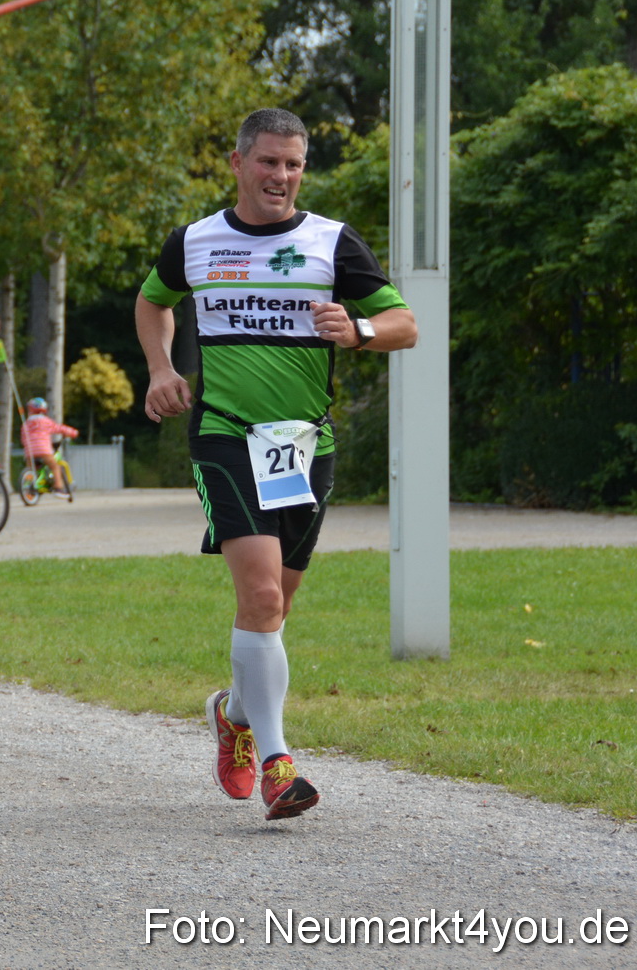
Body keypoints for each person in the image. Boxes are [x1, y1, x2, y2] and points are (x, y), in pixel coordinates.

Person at [135, 107, 418, 821]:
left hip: (305, 445)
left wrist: (358, 329)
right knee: (260, 598)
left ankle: (233, 712)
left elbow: (405, 324)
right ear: (238, 163)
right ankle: (277, 763)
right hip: (226, 435)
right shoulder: (195, 241)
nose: (281, 176)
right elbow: (152, 301)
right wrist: (161, 367)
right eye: (268, 161)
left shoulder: (331, 242)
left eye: (293, 164)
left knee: (275, 607)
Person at [21, 397, 77, 500]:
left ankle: (28, 487)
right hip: (43, 450)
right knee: (55, 466)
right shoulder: (45, 421)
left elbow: (23, 437)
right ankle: (58, 488)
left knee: (32, 470)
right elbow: (59, 428)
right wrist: (72, 432)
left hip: (29, 452)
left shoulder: (26, 423)